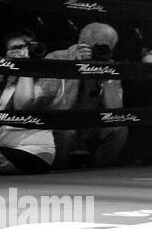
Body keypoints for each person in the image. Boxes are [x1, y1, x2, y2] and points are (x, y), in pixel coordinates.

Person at [49, 22, 128, 168]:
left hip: (91, 124)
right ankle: (55, 173)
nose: (102, 51)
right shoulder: (57, 58)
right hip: (62, 120)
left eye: (107, 48)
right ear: (83, 43)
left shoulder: (109, 65)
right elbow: (57, 105)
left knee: (119, 128)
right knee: (66, 132)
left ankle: (99, 173)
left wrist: (106, 75)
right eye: (99, 47)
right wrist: (76, 68)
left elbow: (115, 109)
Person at [0, 30, 58, 175]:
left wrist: (24, 67)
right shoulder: (2, 75)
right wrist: (4, 65)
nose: (22, 51)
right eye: (16, 47)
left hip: (31, 152)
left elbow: (23, 106)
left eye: (27, 46)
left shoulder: (50, 76)